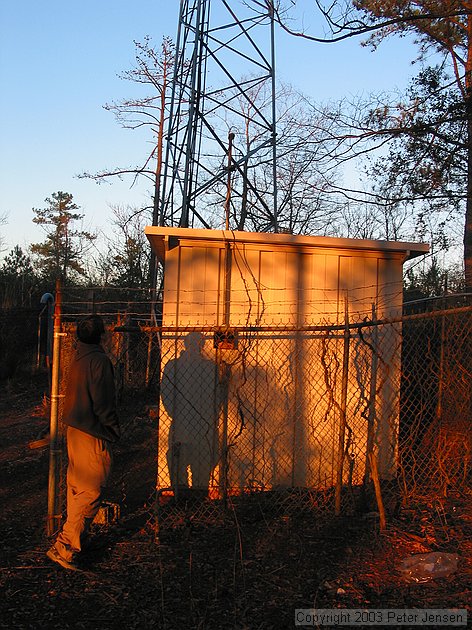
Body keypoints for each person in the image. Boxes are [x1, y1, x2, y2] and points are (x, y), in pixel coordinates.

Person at [46, 314, 120, 571]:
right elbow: (104, 402)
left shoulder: (79, 357)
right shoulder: (99, 361)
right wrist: (111, 428)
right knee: (91, 490)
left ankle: (70, 541)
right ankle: (65, 548)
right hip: (92, 431)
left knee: (78, 488)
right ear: (102, 335)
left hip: (75, 429)